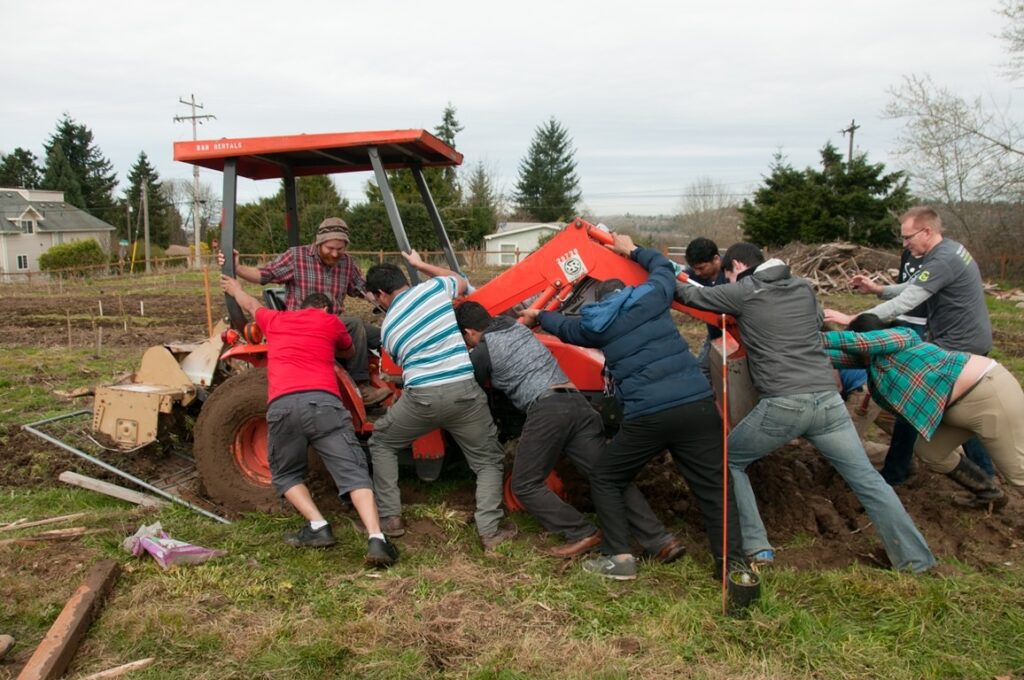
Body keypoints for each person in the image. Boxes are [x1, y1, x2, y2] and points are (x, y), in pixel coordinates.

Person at [676, 242, 936, 573]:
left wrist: (652, 266)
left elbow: (689, 296)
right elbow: (813, 323)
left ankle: (757, 547)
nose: (728, 283)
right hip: (827, 401)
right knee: (868, 480)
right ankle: (916, 560)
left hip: (784, 403)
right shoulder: (803, 287)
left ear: (737, 266)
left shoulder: (744, 291)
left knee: (729, 460)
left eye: (728, 275)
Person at [522, 233, 746, 581]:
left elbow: (562, 327)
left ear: (596, 300)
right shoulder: (653, 295)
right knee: (715, 487)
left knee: (606, 476)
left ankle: (620, 558)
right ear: (627, 289)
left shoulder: (594, 326)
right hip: (696, 405)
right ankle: (733, 568)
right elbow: (660, 266)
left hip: (649, 416)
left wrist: (538, 315)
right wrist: (632, 250)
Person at [455, 300, 686, 563]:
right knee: (607, 477)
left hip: (548, 409)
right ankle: (660, 540)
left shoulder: (483, 351)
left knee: (525, 484)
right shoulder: (516, 328)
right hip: (578, 405)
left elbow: (473, 383)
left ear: (468, 332)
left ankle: (581, 533)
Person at [220, 276, 398, 567]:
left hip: (283, 405)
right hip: (323, 403)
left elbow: (251, 305)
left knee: (286, 474)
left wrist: (234, 288)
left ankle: (318, 526)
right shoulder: (330, 322)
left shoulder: (277, 320)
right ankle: (376, 538)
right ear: (327, 309)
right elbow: (350, 351)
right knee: (353, 472)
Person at [825, 206, 996, 478]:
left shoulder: (942, 259)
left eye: (908, 237)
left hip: (959, 344)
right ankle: (984, 477)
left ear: (927, 232)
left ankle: (898, 471)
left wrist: (853, 318)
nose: (905, 244)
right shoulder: (948, 251)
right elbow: (914, 286)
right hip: (964, 339)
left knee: (912, 402)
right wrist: (879, 290)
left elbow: (907, 301)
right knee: (951, 410)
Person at [364, 256, 516, 551]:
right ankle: (490, 532)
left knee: (382, 442)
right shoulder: (433, 289)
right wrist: (423, 266)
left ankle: (391, 518)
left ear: (381, 294)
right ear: (403, 281)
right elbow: (459, 279)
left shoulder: (388, 329)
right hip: (463, 392)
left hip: (421, 398)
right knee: (487, 461)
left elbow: (396, 363)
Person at [823, 313, 1022, 507]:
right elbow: (830, 356)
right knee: (930, 452)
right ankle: (989, 493)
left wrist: (815, 337)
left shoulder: (902, 336)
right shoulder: (874, 361)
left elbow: (862, 343)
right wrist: (798, 344)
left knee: (1018, 473)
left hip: (987, 393)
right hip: (958, 408)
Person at [219, 217, 390, 406]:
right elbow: (265, 274)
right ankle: (362, 386)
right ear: (319, 242)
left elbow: (362, 289)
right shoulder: (296, 257)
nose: (334, 254)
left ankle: (394, 380)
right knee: (355, 324)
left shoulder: (346, 263)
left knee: (384, 336)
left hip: (333, 324)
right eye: (330, 248)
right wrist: (237, 268)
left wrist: (389, 300)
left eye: (339, 249)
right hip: (305, 327)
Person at [679, 237, 728, 381]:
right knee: (702, 370)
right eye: (694, 268)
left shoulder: (732, 274)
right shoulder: (693, 276)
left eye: (701, 268)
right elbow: (681, 283)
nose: (697, 273)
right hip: (715, 335)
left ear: (716, 259)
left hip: (738, 336)